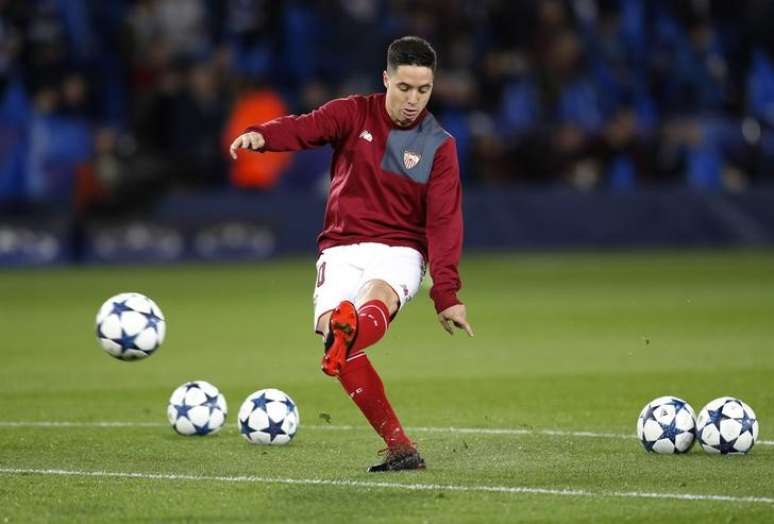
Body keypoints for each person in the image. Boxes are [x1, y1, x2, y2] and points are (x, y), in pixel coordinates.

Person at [229, 36, 473, 472]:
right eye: (405, 87)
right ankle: (400, 448)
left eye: (423, 90)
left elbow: (444, 222)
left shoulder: (438, 144)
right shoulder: (353, 113)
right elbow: (305, 127)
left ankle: (389, 425)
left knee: (369, 305)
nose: (413, 100)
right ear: (386, 80)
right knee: (337, 339)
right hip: (341, 247)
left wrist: (446, 293)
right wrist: (261, 136)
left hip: (400, 248)